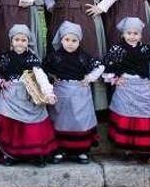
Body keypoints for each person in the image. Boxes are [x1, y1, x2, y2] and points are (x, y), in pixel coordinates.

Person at [0, 24, 57, 166]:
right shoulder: (5, 57)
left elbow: (40, 76)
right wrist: (0, 80)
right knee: (9, 123)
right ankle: (10, 154)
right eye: (17, 40)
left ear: (28, 42)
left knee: (34, 125)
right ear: (11, 41)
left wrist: (48, 93)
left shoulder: (31, 58)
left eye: (23, 40)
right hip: (10, 94)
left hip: (29, 95)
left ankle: (36, 154)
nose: (20, 43)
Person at [102, 17, 150, 162]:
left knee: (145, 116)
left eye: (136, 33)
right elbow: (107, 66)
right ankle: (127, 147)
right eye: (128, 33)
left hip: (143, 86)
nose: (132, 36)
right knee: (126, 116)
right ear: (123, 34)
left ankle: (144, 147)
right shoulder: (117, 49)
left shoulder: (145, 49)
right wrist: (114, 78)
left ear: (141, 35)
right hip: (126, 87)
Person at [43, 22, 104, 164]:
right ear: (61, 40)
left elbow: (100, 67)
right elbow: (42, 68)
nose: (70, 44)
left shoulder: (83, 57)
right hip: (61, 92)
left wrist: (89, 78)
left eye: (74, 40)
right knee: (60, 121)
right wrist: (52, 77)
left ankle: (81, 150)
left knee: (80, 121)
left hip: (79, 92)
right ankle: (60, 149)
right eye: (67, 40)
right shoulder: (55, 56)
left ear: (79, 41)